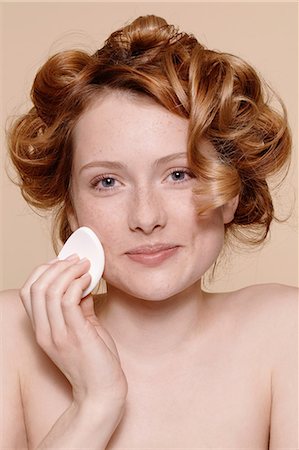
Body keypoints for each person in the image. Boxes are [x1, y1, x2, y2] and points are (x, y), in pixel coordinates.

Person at [1, 14, 297, 449]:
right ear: (72, 209)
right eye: (107, 182)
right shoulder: (11, 335)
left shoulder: (285, 330)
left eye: (179, 174)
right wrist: (95, 405)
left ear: (230, 192)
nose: (145, 216)